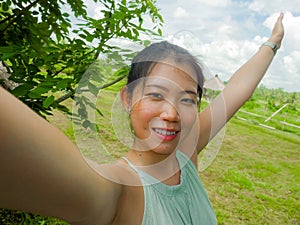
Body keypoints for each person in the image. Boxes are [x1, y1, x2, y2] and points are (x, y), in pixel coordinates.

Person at [0, 13, 284, 225]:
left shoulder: (187, 152)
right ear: (127, 98)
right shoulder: (120, 190)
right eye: (157, 95)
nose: (171, 114)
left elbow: (236, 92)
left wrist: (272, 43)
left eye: (187, 99)